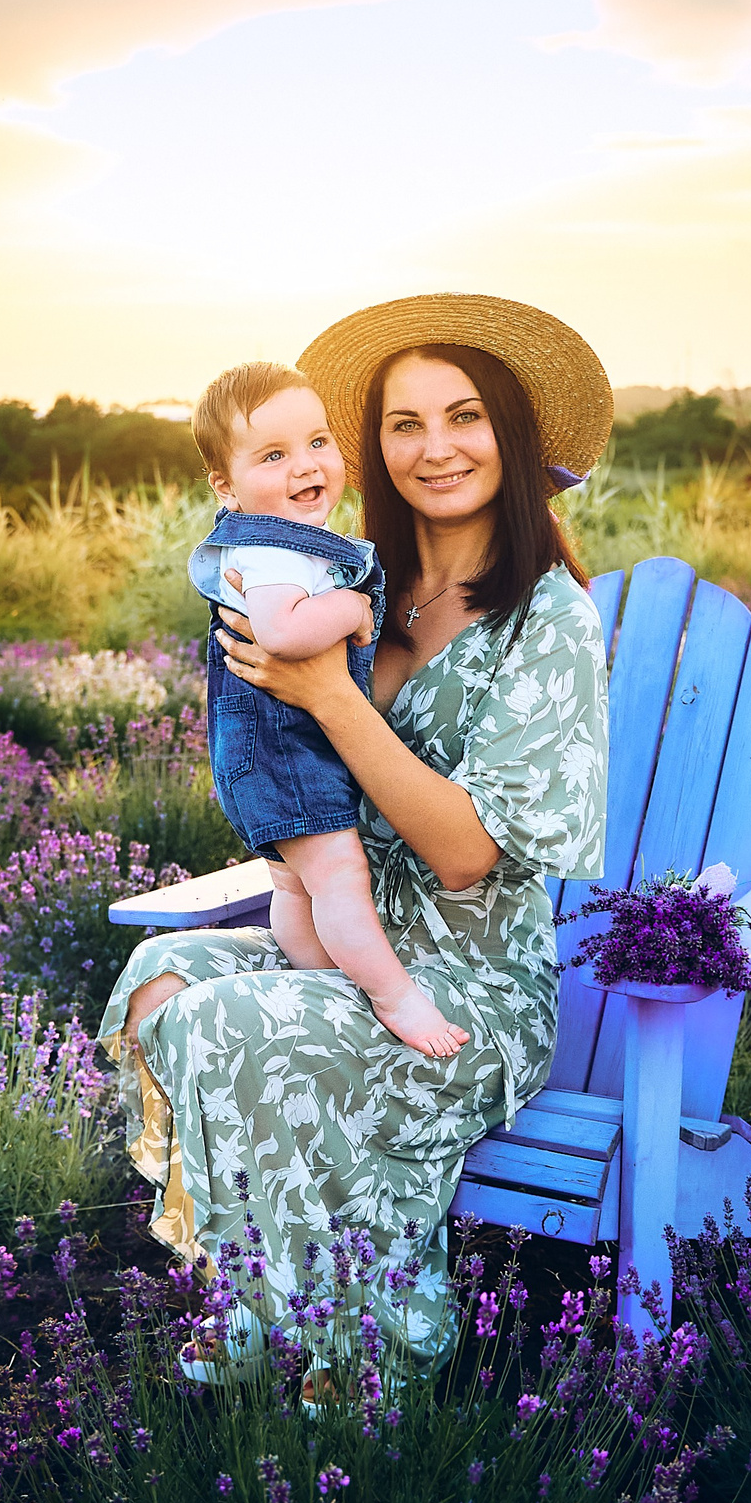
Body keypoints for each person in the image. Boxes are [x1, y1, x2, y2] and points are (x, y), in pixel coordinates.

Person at [99, 294, 613, 1406]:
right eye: (403, 424)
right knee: (162, 975)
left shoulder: (544, 622)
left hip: (469, 990)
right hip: (348, 942)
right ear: (374, 446)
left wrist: (332, 698)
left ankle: (351, 1355)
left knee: (234, 1021)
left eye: (465, 417)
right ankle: (262, 1297)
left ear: (512, 437)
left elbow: (473, 855)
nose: (435, 449)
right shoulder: (352, 581)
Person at [185, 362, 465, 1060]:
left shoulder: (270, 538)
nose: (305, 466)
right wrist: (348, 606)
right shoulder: (275, 549)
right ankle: (391, 995)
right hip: (287, 747)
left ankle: (320, 982)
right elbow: (281, 634)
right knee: (339, 876)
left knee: (298, 881)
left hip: (262, 754)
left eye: (317, 443)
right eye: (274, 455)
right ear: (226, 484)